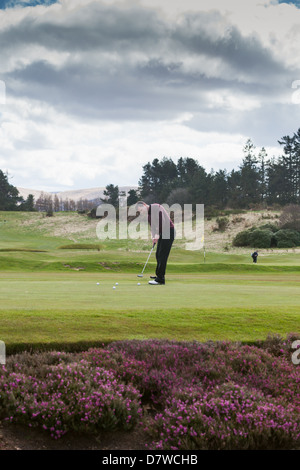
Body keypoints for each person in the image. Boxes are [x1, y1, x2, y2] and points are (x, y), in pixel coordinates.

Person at [136, 201, 175, 285]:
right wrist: (154, 237)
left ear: (144, 205)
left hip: (169, 231)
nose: (142, 212)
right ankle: (159, 275)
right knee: (158, 254)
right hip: (162, 233)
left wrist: (157, 234)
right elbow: (153, 228)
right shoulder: (149, 216)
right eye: (140, 212)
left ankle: (160, 279)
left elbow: (162, 221)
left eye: (141, 210)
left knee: (162, 255)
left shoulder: (155, 207)